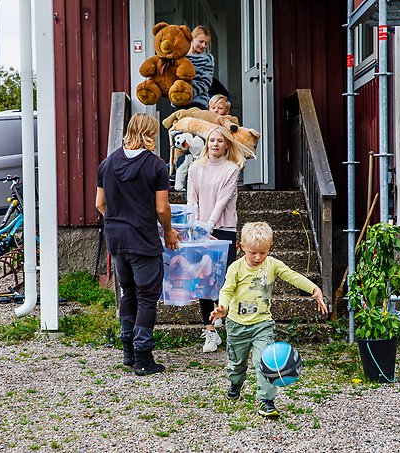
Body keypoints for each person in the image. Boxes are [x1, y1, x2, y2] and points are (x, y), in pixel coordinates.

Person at [210, 222, 327, 418]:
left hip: (262, 324)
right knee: (236, 364)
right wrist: (223, 307)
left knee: (264, 361)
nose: (258, 257)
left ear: (270, 248)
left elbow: (292, 276)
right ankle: (235, 384)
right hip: (236, 324)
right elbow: (227, 290)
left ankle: (267, 401)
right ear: (241, 247)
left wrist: (313, 289)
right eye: (253, 253)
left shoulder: (273, 264)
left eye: (263, 253)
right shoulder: (235, 268)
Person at [96, 113, 181, 376]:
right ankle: (144, 358)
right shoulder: (156, 166)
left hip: (117, 240)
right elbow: (162, 208)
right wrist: (168, 231)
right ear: (150, 134)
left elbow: (100, 204)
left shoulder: (107, 164)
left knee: (128, 293)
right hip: (143, 239)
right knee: (147, 297)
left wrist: (118, 222)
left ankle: (128, 353)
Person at [187, 126, 246, 353]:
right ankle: (210, 331)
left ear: (226, 145)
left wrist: (209, 225)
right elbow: (192, 199)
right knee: (203, 281)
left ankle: (229, 324)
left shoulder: (231, 169)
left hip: (224, 228)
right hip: (201, 229)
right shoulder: (195, 168)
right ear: (206, 143)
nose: (215, 144)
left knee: (224, 280)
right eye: (211, 140)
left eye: (220, 141)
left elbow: (223, 200)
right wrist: (199, 227)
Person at [184, 25, 214, 109]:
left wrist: (189, 93)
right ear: (192, 38)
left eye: (206, 43)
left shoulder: (207, 59)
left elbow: (206, 82)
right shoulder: (181, 57)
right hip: (180, 102)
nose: (203, 45)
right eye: (201, 41)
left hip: (199, 103)